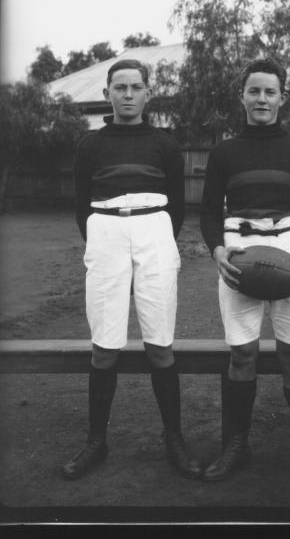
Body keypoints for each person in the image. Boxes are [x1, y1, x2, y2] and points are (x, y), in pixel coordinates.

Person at [62, 59, 202, 481]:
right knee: (104, 345)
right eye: (119, 87)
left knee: (160, 342)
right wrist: (107, 236)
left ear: (146, 93)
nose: (127, 94)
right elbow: (81, 207)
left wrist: (152, 231)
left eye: (135, 87)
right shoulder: (90, 144)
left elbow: (176, 208)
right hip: (105, 230)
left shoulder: (165, 143)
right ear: (107, 94)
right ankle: (95, 441)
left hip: (155, 231)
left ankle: (173, 438)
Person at [200, 58, 290, 491]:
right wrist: (217, 250)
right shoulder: (223, 152)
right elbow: (205, 212)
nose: (261, 99)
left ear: (282, 98)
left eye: (269, 92)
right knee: (241, 354)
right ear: (242, 96)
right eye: (254, 91)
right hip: (239, 251)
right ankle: (237, 444)